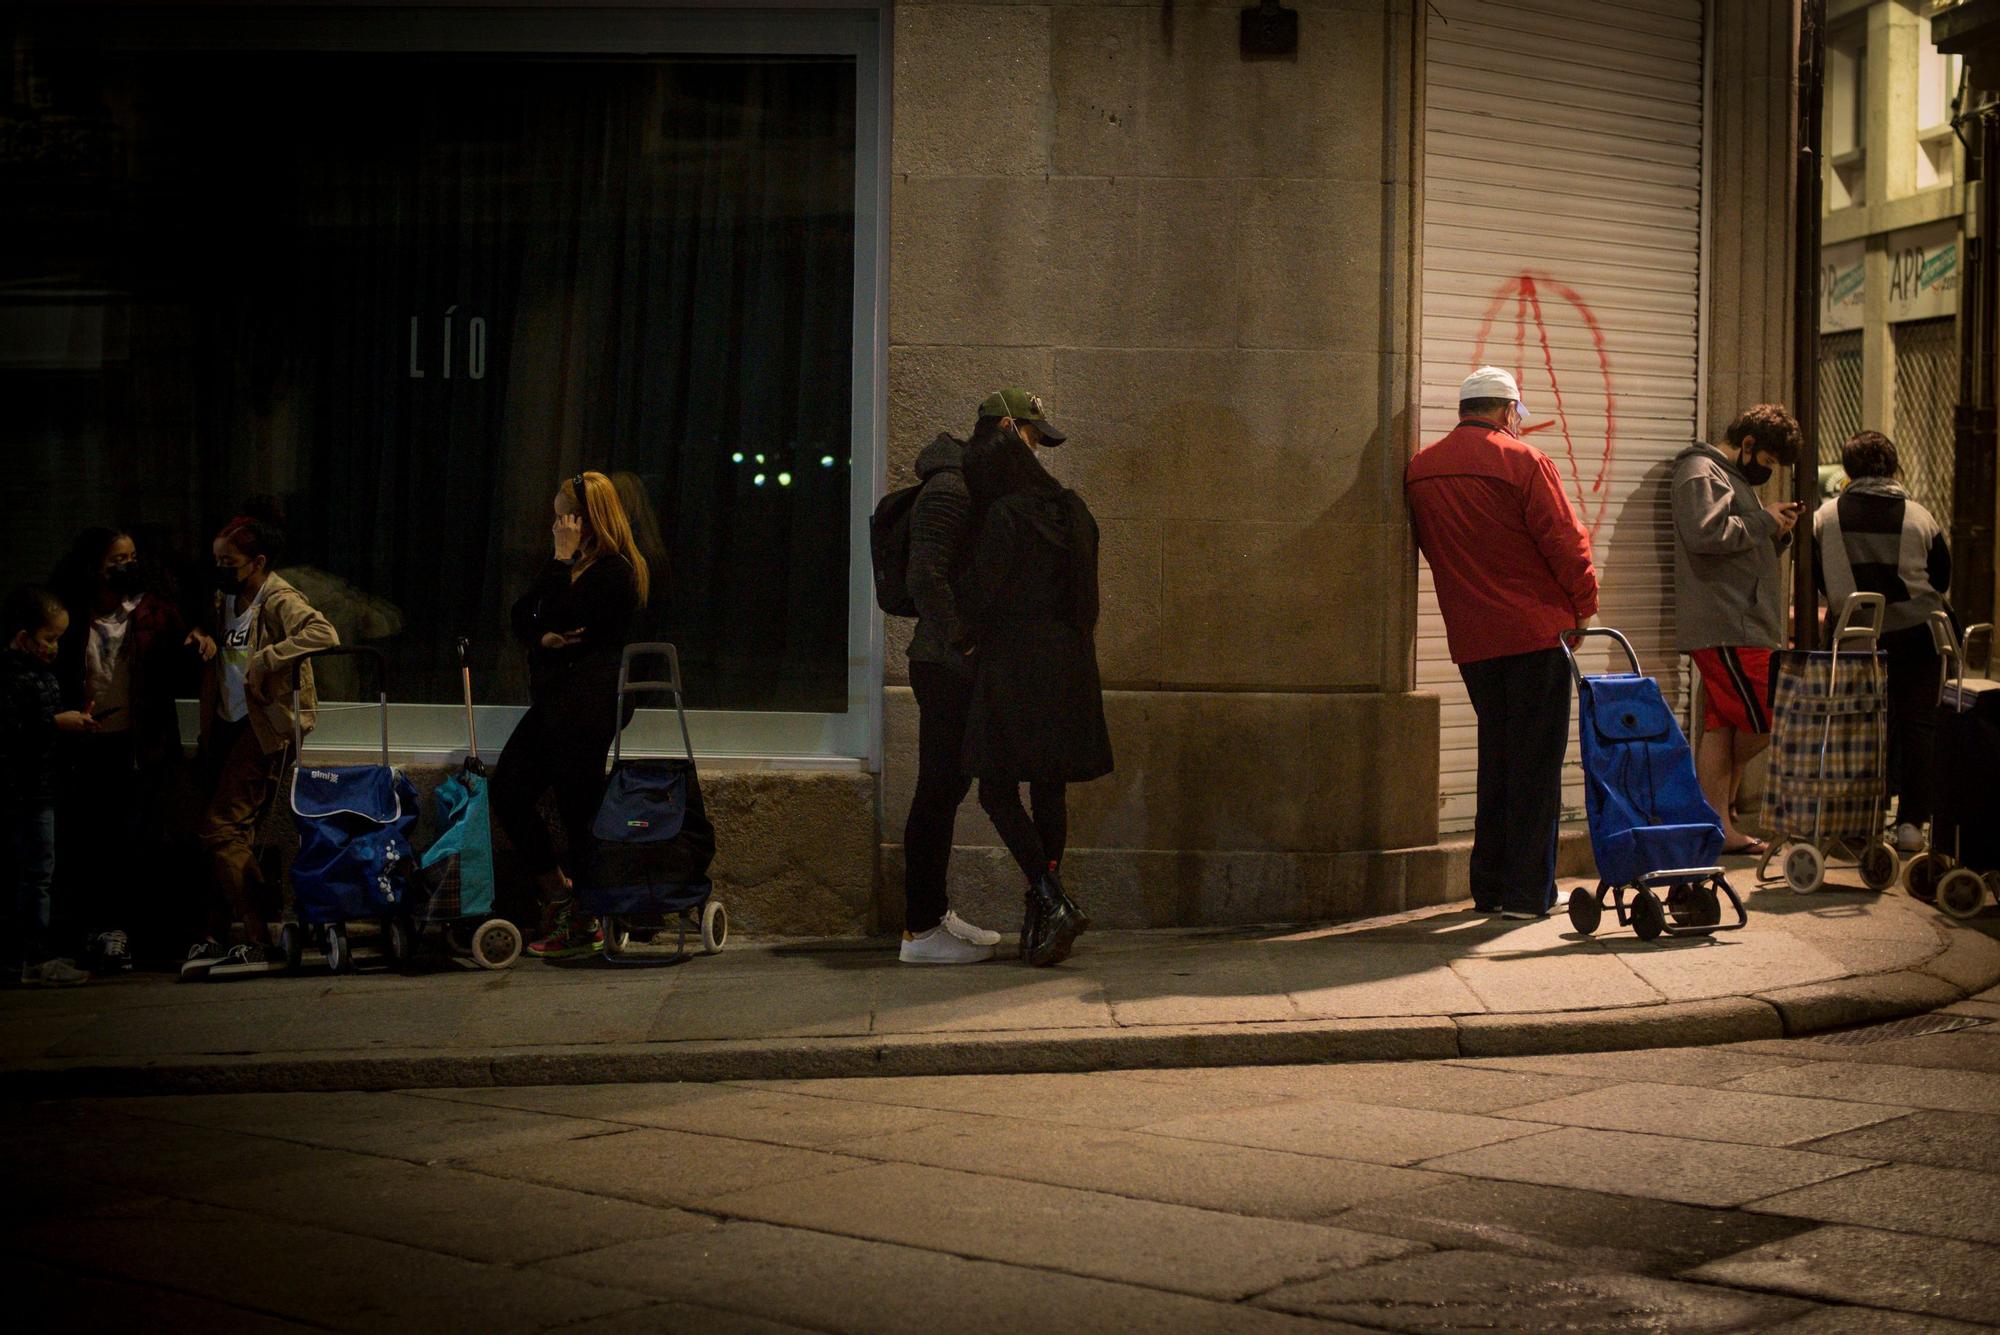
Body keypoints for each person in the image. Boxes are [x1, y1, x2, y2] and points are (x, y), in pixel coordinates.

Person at [1406, 367, 1599, 920]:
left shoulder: (1422, 470)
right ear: (1510, 410)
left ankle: (1489, 887)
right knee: (1535, 766)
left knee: (1497, 757)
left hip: (1473, 640)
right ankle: (1526, 893)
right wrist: (1583, 605)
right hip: (1536, 633)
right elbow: (1565, 542)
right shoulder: (1524, 461)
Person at [956, 389, 1112, 966]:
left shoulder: (1002, 513)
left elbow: (982, 598)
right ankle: (1043, 912)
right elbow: (1088, 601)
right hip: (1069, 664)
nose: (1036, 448)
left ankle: (1050, 897)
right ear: (1012, 429)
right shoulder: (1072, 508)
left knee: (996, 791)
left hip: (1014, 666)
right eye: (1033, 436)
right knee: (1049, 786)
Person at [492, 470, 648, 959]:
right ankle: (557, 892)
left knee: (577, 808)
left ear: (587, 519)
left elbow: (560, 613)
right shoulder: (566, 566)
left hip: (587, 704)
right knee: (509, 790)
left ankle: (587, 915)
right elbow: (524, 615)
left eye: (564, 515)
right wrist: (542, 636)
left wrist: (557, 579)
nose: (556, 524)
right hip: (553, 701)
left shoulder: (615, 572)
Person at [183, 505, 339, 975]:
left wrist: (271, 656)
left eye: (230, 563)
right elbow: (220, 641)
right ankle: (220, 932)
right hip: (226, 722)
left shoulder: (277, 598)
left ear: (259, 563)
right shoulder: (222, 599)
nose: (222, 571)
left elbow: (323, 632)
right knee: (232, 834)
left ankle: (254, 932)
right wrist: (201, 636)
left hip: (265, 726)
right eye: (218, 561)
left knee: (220, 827)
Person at [49, 527, 194, 969]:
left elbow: (181, 646)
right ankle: (97, 933)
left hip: (142, 742)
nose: (126, 565)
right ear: (94, 565)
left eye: (131, 556)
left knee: (144, 838)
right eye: (116, 558)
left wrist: (198, 637)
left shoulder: (151, 612)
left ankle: (143, 935)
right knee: (93, 842)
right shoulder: (70, 615)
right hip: (85, 743)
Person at [896, 405, 1006, 965]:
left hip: (952, 664)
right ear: (1008, 431)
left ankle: (932, 917)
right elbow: (924, 576)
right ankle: (920, 930)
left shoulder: (969, 485)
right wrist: (963, 639)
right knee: (938, 791)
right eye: (1033, 439)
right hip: (944, 666)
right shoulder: (950, 489)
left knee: (946, 790)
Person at [1671, 404, 1804, 857]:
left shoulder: (1732, 477)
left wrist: (1776, 530)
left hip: (1741, 622)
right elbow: (1705, 534)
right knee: (1776, 715)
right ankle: (1716, 809)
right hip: (1730, 625)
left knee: (1723, 726)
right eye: (1766, 461)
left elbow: (1740, 543)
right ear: (1747, 445)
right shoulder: (1701, 471)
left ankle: (1718, 821)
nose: (1767, 471)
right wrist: (1765, 520)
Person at [1814, 430, 1951, 852]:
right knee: (1918, 727)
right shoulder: (1920, 516)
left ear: (1848, 470)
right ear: (1892, 468)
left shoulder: (1825, 516)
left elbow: (1817, 581)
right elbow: (1941, 578)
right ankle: (1911, 824)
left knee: (1859, 726)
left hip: (1856, 639)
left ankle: (1861, 822)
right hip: (1918, 636)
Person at [2, 586, 98, 987]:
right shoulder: (12, 675)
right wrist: (57, 724)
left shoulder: (37, 674)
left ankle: (29, 956)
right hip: (23, 790)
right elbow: (12, 732)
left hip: (40, 785)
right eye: (49, 639)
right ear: (23, 637)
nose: (54, 648)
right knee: (34, 874)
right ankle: (30, 959)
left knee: (37, 874)